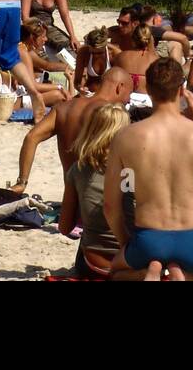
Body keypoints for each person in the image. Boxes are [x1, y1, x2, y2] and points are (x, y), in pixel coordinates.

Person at [104, 58, 193, 281]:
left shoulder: (126, 137)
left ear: (148, 89)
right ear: (182, 90)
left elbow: (111, 206)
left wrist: (126, 243)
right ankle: (187, 277)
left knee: (117, 272)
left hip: (148, 237)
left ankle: (147, 272)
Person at [11, 67, 132, 193]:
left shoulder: (64, 108)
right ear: (120, 87)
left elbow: (31, 138)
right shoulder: (112, 115)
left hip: (70, 198)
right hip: (97, 199)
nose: (128, 100)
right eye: (129, 93)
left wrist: (22, 182)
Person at [60, 104, 130, 278]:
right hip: (131, 257)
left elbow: (64, 227)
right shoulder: (132, 170)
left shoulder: (78, 170)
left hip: (92, 262)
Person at [16, 23, 70, 106]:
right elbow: (34, 86)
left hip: (16, 95)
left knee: (47, 82)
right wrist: (60, 86)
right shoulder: (24, 53)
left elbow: (47, 66)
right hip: (14, 101)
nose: (46, 39)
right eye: (43, 36)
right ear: (32, 38)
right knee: (59, 96)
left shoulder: (23, 48)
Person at [115, 24, 160, 94]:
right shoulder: (156, 60)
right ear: (150, 40)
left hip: (125, 98)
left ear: (133, 39)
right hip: (147, 99)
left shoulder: (121, 56)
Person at [73, 26, 113, 95]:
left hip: (110, 94)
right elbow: (77, 82)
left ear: (105, 46)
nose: (96, 56)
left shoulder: (114, 53)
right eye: (93, 53)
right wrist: (81, 89)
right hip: (90, 93)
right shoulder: (83, 52)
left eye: (100, 53)